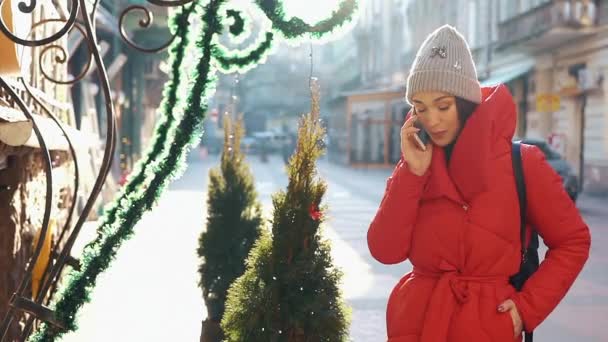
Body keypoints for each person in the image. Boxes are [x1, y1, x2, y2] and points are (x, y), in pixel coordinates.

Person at [367, 25, 591, 342]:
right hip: (416, 324)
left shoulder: (522, 163)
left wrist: (526, 309)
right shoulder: (418, 162)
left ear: (465, 100)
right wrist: (410, 174)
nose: (431, 119)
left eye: (443, 105)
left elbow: (573, 241)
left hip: (486, 327)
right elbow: (385, 251)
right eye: (420, 107)